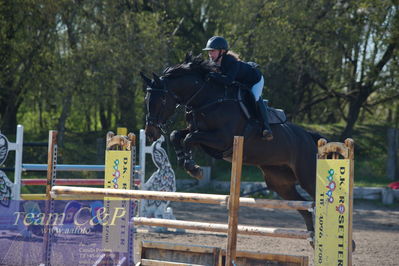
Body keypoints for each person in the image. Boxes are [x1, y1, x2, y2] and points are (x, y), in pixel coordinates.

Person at [203, 36, 273, 141]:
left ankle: (266, 128)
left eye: (213, 51)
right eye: (209, 52)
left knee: (254, 98)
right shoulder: (214, 62)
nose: (210, 54)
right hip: (241, 82)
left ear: (222, 51)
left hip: (255, 80)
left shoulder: (230, 61)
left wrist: (212, 76)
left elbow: (228, 80)